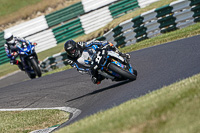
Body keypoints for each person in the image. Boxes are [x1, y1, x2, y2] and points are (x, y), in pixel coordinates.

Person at [64, 39, 130, 85]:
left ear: (75, 47)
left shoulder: (80, 45)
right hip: (91, 66)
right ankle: (111, 76)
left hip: (96, 53)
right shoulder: (70, 60)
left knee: (109, 44)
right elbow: (79, 69)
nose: (72, 52)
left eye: (72, 50)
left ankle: (121, 54)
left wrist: (102, 44)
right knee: (96, 80)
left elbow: (92, 42)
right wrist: (89, 70)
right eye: (70, 51)